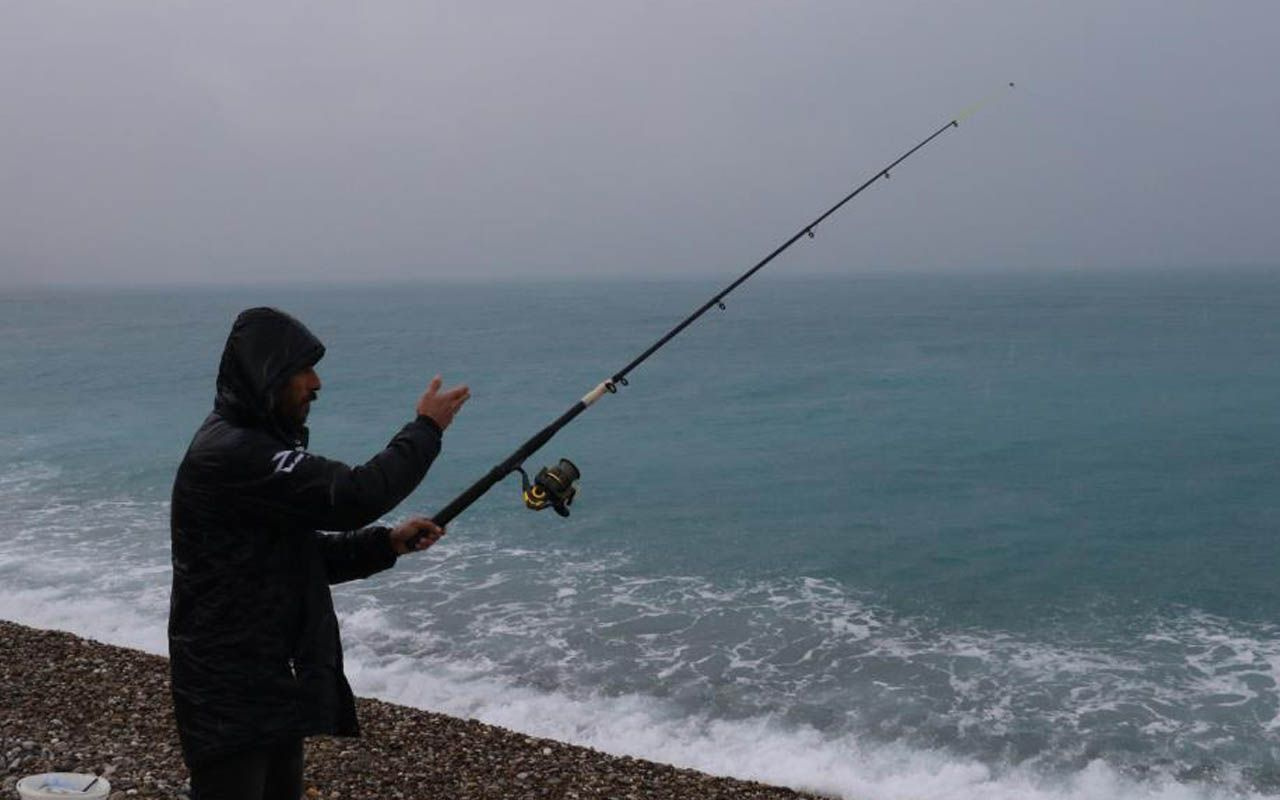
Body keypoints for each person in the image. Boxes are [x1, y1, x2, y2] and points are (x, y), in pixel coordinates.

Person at [168, 307, 469, 800]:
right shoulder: (233, 452)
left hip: (270, 679)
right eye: (302, 370)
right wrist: (426, 429)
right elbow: (355, 495)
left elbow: (296, 558)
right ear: (269, 375)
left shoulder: (253, 445)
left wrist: (386, 542)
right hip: (227, 687)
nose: (316, 382)